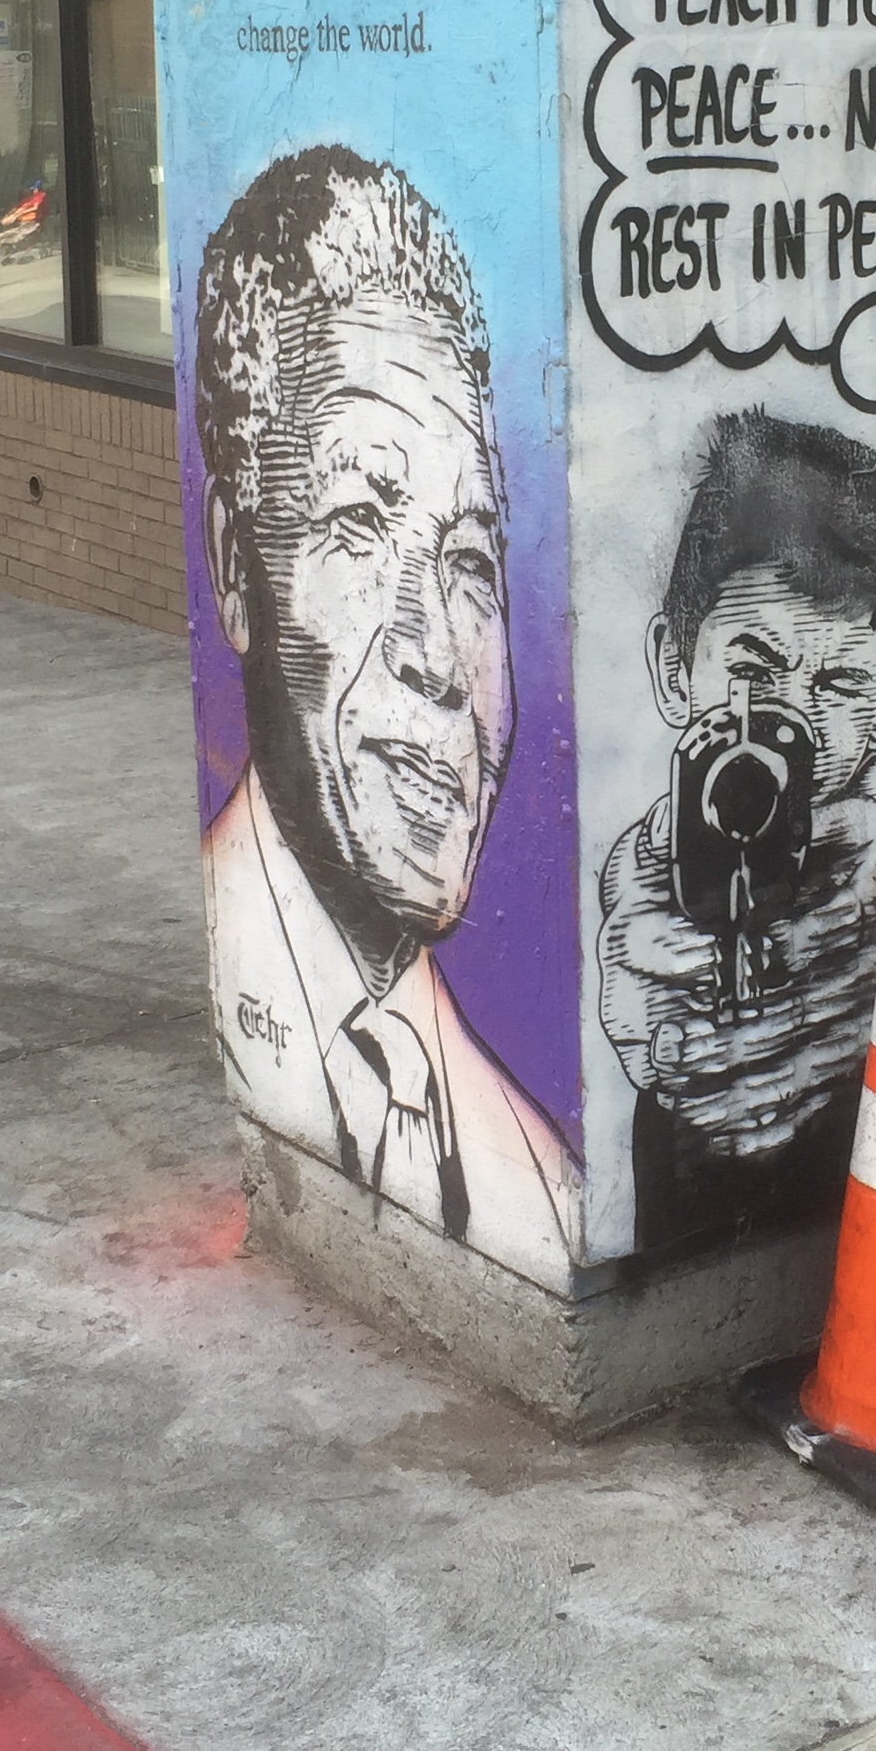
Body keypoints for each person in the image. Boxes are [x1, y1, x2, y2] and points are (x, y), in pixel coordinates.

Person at [192, 143, 578, 1285]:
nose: (437, 655)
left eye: (470, 560)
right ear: (237, 565)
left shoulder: (543, 1188)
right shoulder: (244, 1025)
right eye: (360, 524)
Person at [596, 408, 876, 1256]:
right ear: (674, 668)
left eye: (842, 684)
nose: (797, 723)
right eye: (753, 668)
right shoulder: (652, 872)